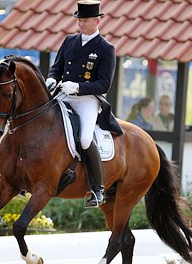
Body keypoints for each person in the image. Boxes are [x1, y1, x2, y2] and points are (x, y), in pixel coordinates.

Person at [45, 0, 122, 208]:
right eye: (79, 20)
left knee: (86, 138)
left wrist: (78, 87)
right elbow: (57, 67)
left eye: (85, 20)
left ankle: (98, 189)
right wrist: (52, 78)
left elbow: (104, 84)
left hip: (87, 100)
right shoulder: (69, 41)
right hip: (64, 94)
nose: (81, 24)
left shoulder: (106, 49)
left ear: (97, 21)